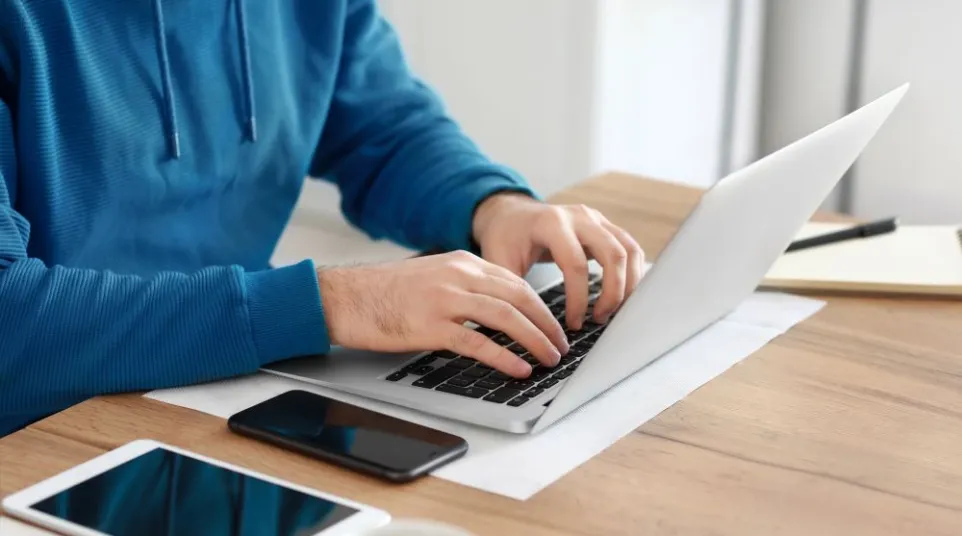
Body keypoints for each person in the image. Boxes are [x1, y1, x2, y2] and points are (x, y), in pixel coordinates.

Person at [0, 0, 643, 437]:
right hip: (43, 428)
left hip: (219, 387)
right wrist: (331, 303)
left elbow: (381, 125)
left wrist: (494, 206)